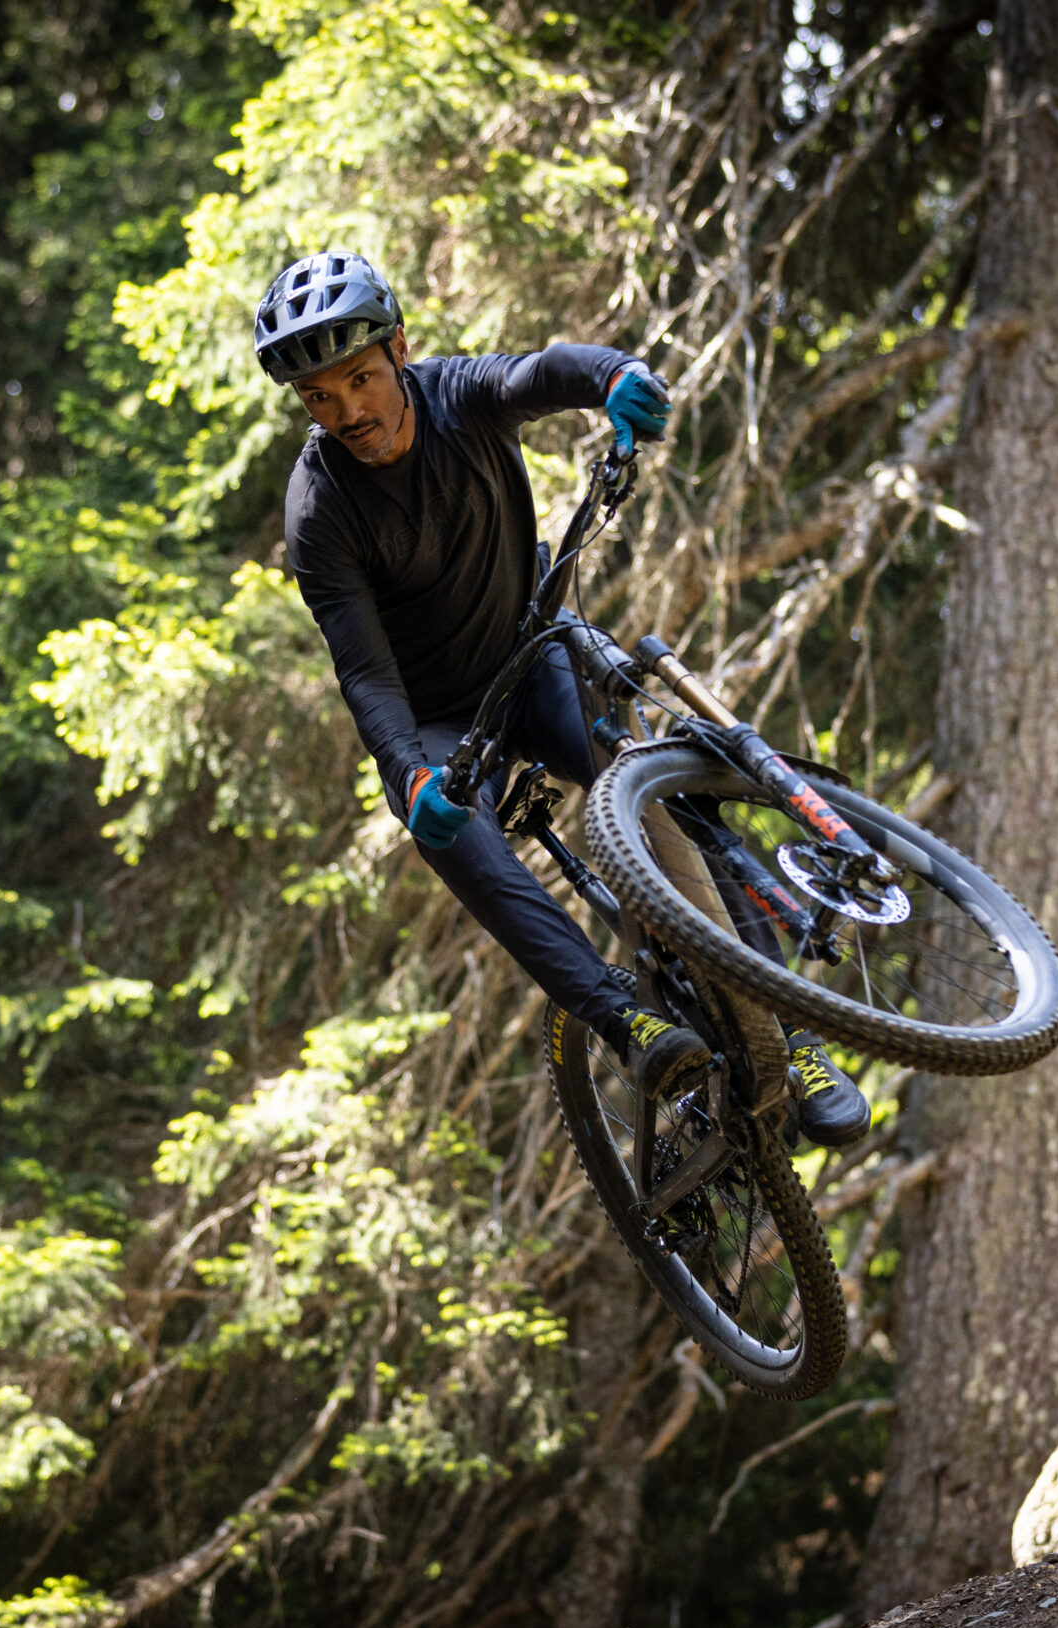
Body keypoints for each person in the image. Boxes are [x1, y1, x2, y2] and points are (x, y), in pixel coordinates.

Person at [256, 250, 869, 1145]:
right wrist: (411, 774)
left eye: (359, 379)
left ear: (399, 350)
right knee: (444, 823)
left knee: (663, 786)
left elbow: (542, 373)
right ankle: (629, 1023)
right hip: (439, 723)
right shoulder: (320, 509)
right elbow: (366, 675)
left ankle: (789, 1036)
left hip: (531, 656)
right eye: (319, 397)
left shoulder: (457, 395)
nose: (348, 411)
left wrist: (613, 374)